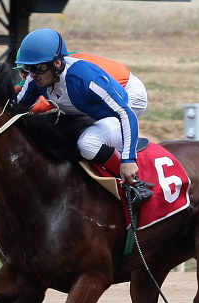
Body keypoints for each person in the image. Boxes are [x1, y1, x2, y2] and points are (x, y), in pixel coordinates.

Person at [15, 28, 152, 202]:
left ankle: (133, 184)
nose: (32, 75)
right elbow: (15, 108)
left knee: (88, 143)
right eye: (27, 68)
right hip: (92, 106)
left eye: (38, 68)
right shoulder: (36, 79)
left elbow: (126, 114)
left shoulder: (85, 79)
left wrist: (128, 159)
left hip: (128, 100)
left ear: (57, 64)